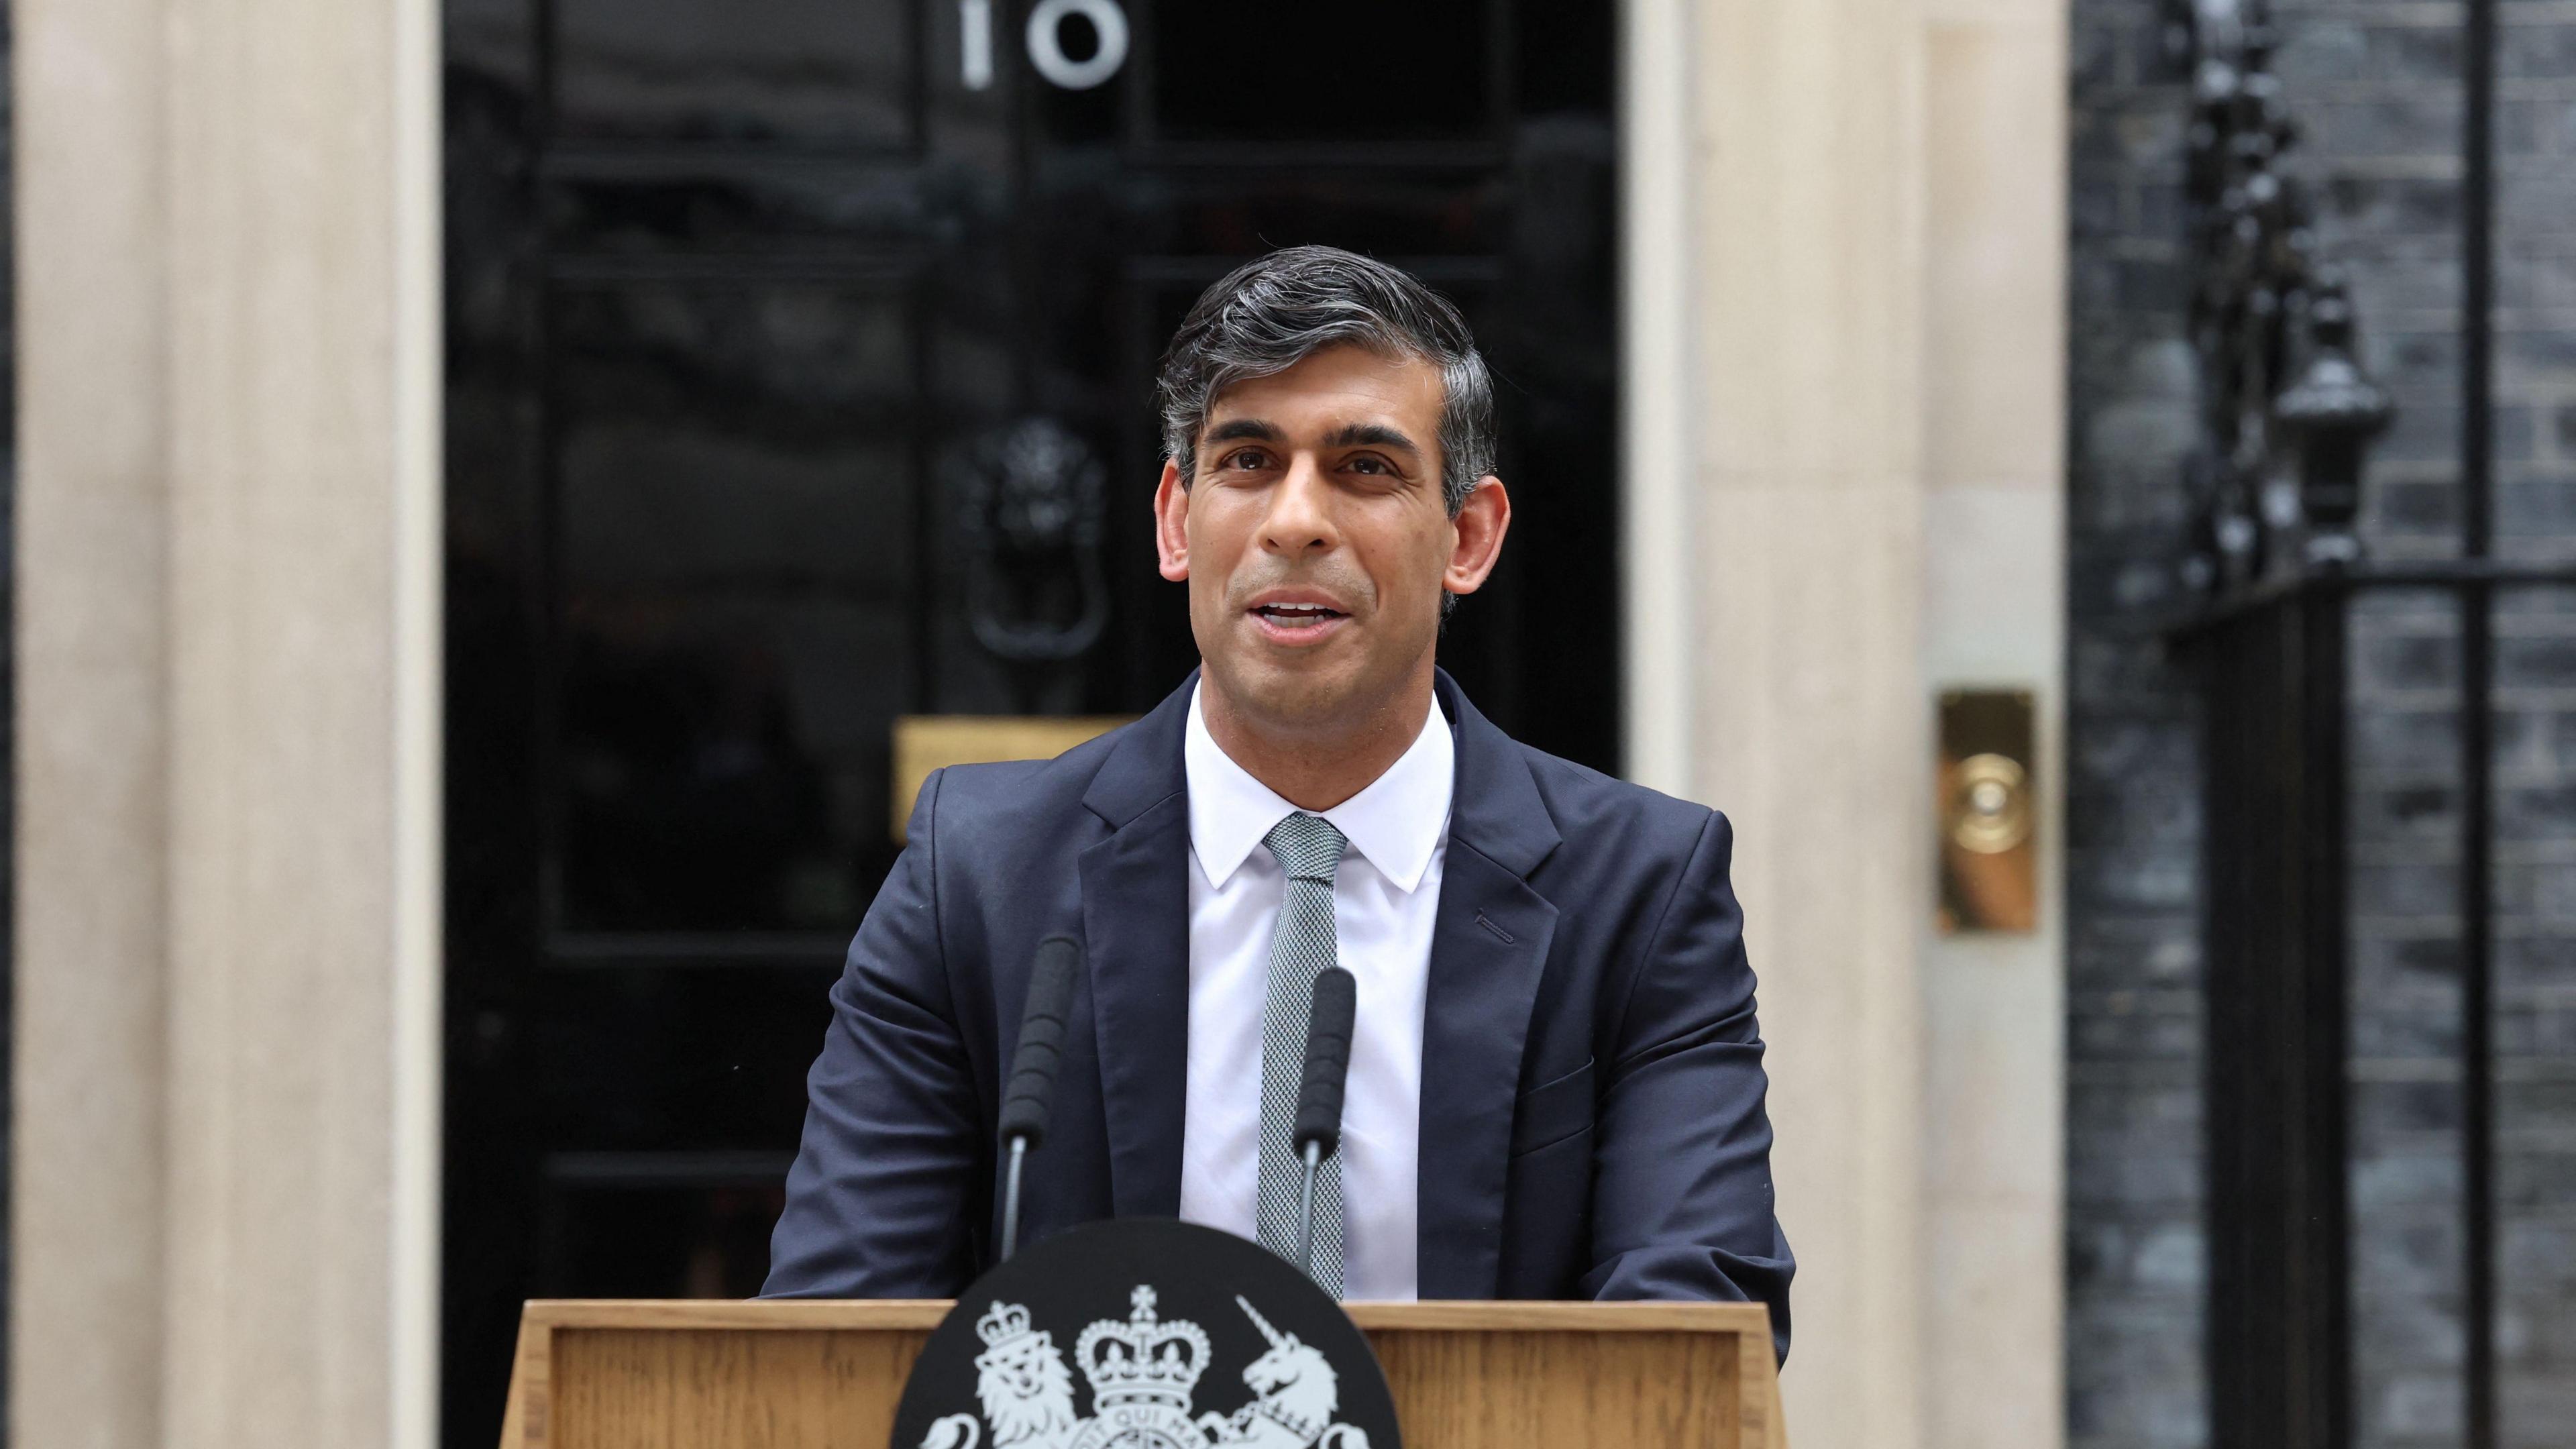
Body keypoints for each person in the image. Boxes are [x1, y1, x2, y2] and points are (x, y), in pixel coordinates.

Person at [763, 245, 1792, 1355]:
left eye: (1364, 469)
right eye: (1248, 460)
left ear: (1471, 536)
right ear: (1175, 520)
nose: (1295, 521)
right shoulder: (980, 873)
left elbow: (1692, 1338)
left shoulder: (1639, 892)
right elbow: (841, 1325)